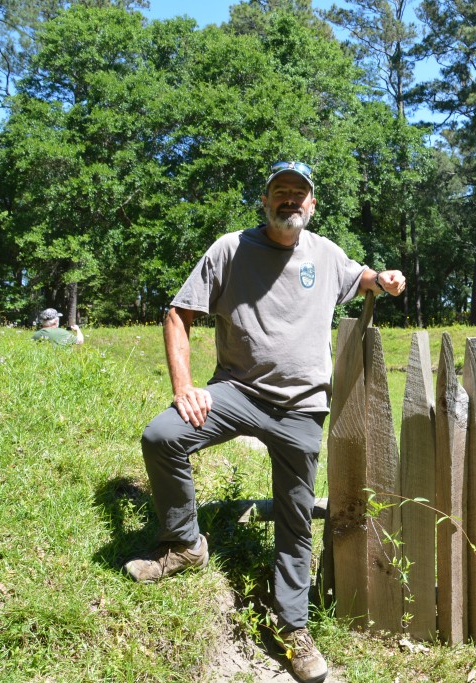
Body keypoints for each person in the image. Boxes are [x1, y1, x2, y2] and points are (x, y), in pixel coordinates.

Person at [124, 160, 406, 683]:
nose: (290, 200)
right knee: (163, 435)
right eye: (281, 192)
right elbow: (177, 315)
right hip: (237, 390)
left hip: (303, 408)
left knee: (296, 518)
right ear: (265, 199)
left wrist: (382, 279)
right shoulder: (230, 249)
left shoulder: (324, 253)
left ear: (312, 204)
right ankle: (185, 544)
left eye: (300, 193)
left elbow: (359, 277)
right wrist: (185, 388)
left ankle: (293, 629)